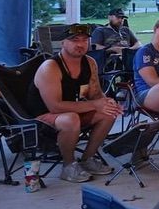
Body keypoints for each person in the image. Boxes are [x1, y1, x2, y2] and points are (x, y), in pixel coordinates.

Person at [31, 24, 122, 183]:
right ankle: (68, 166)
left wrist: (107, 102)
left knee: (108, 112)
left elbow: (95, 94)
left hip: (73, 111)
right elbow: (55, 106)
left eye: (84, 40)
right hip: (43, 116)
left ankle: (87, 159)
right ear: (63, 42)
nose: (80, 44)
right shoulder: (51, 67)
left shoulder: (90, 62)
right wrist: (95, 105)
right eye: (74, 40)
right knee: (71, 119)